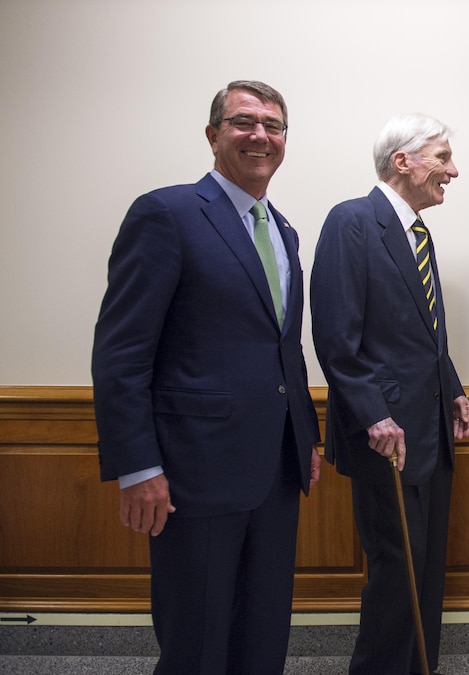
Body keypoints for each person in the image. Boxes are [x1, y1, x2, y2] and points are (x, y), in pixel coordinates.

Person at [91, 80, 322, 674]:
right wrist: (138, 468)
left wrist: (307, 436)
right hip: (194, 473)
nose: (260, 136)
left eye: (273, 125)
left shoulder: (284, 230)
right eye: (244, 122)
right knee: (197, 638)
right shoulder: (166, 213)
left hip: (276, 468)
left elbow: (283, 348)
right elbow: (122, 353)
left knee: (263, 631)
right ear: (213, 134)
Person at [310, 113, 469, 675]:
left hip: (430, 431)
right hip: (386, 435)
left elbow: (421, 334)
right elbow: (335, 336)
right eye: (443, 158)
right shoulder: (352, 222)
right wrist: (374, 414)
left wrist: (452, 389)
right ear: (402, 162)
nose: (453, 171)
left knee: (425, 568)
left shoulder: (417, 233)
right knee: (397, 566)